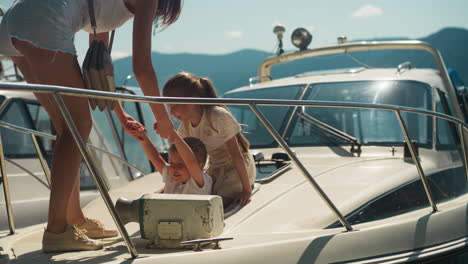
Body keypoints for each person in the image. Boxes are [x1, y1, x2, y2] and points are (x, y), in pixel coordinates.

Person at [0, 0, 182, 252]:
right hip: (42, 19)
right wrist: (163, 120)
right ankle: (56, 230)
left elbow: (98, 70)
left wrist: (120, 115)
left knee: (67, 127)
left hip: (16, 21)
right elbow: (142, 68)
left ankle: (74, 219)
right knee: (76, 126)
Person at [162, 72, 256, 208]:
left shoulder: (218, 116)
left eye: (174, 106)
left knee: (214, 205)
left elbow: (237, 155)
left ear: (191, 101)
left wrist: (247, 190)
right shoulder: (185, 127)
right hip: (215, 167)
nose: (171, 112)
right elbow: (186, 160)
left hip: (237, 169)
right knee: (199, 198)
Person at [130, 125, 212, 195]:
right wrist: (142, 136)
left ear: (199, 166)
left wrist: (172, 133)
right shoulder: (171, 176)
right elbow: (155, 158)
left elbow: (191, 161)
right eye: (171, 163)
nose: (174, 168)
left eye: (180, 164)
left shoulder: (199, 181)